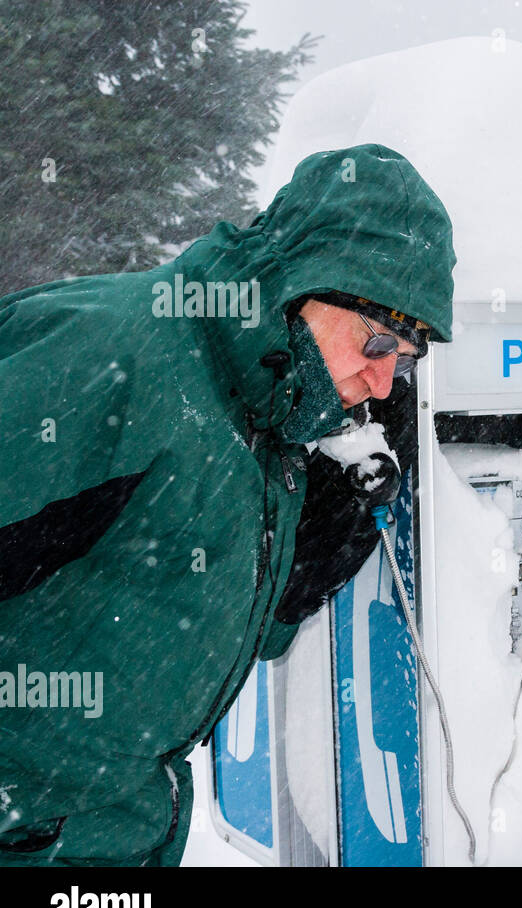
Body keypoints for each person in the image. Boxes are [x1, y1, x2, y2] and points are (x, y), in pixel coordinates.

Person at [0, 143, 455, 865]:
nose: (383, 379)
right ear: (303, 281)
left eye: (405, 357)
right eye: (375, 342)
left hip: (117, 843)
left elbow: (204, 631)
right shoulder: (109, 351)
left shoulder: (270, 434)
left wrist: (313, 558)